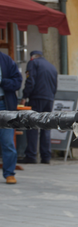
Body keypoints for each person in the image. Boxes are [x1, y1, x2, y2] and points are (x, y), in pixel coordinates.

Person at [20, 51, 58, 164]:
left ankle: (31, 155)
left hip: (36, 97)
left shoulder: (33, 63)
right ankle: (46, 157)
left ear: (32, 57)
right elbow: (55, 86)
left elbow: (30, 80)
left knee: (32, 125)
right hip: (49, 98)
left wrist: (25, 96)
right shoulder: (52, 66)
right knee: (46, 126)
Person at [0, 51, 22, 184]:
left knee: (8, 141)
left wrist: (2, 81)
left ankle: (9, 173)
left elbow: (17, 82)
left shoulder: (6, 60)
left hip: (4, 105)